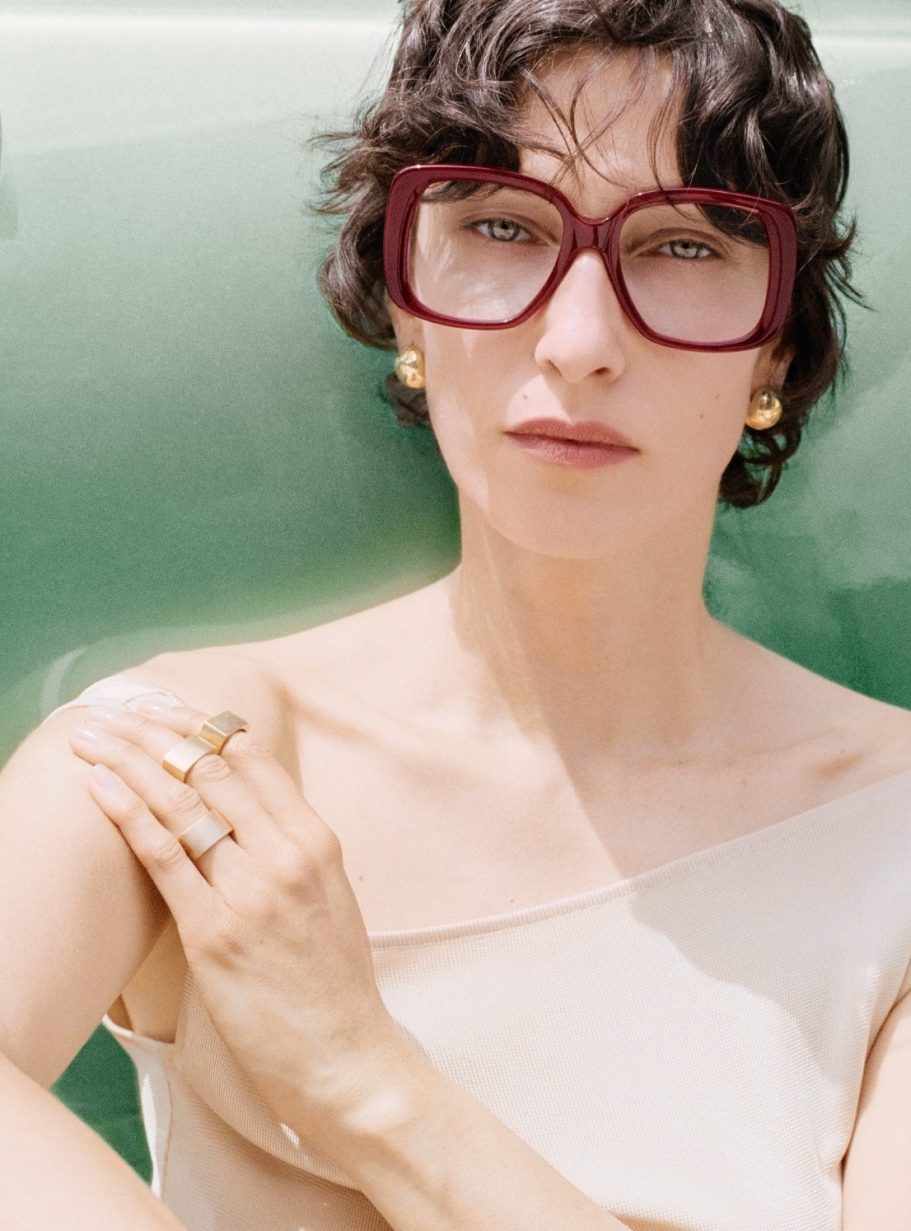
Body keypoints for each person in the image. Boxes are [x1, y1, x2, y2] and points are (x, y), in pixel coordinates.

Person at [2, 0, 911, 1228]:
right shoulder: (192, 768)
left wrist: (364, 1083)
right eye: (501, 226)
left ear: (775, 350)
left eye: (684, 245)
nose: (579, 342)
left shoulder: (889, 836)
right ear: (406, 299)